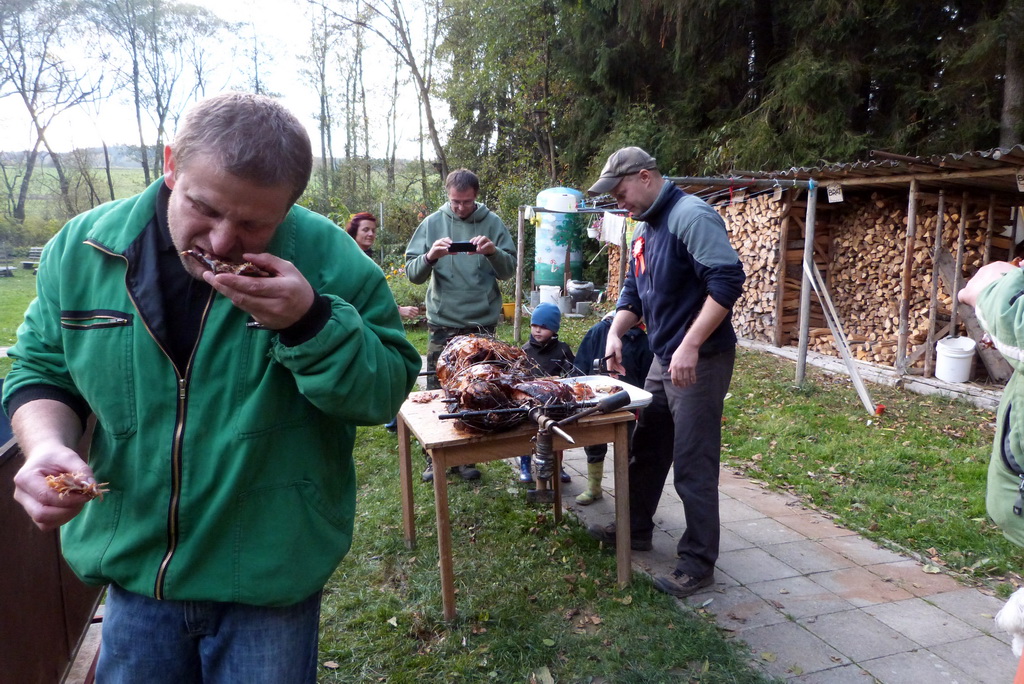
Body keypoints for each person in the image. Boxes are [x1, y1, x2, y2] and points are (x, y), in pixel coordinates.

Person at [2, 91, 421, 683]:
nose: (222, 243)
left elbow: (383, 393)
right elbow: (42, 370)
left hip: (268, 579)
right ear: (171, 163)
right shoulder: (83, 249)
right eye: (204, 208)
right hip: (136, 571)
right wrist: (45, 444)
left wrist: (309, 322)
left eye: (254, 224)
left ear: (290, 208)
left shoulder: (333, 259)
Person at [584, 146, 745, 598]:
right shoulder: (644, 228)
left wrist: (691, 345)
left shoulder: (691, 216)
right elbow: (632, 292)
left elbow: (727, 281)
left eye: (620, 191)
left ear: (646, 176)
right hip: (664, 355)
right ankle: (634, 529)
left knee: (693, 461)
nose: (618, 201)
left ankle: (697, 562)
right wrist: (615, 333)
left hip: (701, 358)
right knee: (648, 446)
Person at [405, 168, 517, 482]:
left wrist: (493, 253)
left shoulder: (492, 223)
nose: (460, 207)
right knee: (437, 390)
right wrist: (430, 257)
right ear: (448, 195)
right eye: (455, 201)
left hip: (480, 323)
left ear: (476, 197)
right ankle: (434, 457)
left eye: (466, 202)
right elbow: (412, 273)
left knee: (476, 390)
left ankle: (466, 455)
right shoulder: (432, 223)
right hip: (443, 322)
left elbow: (509, 270)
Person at [346, 211, 420, 432]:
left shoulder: (363, 256)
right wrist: (398, 310)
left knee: (386, 369)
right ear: (354, 232)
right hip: (361, 327)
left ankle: (391, 417)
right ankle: (386, 415)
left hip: (371, 325)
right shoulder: (350, 258)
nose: (371, 234)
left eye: (373, 230)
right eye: (365, 230)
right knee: (386, 369)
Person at [571, 310, 653, 505]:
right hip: (596, 402)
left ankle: (627, 492)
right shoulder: (599, 332)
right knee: (593, 442)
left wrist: (642, 405)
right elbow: (581, 363)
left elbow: (647, 377)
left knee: (628, 445)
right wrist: (578, 387)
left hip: (628, 404)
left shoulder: (643, 342)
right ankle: (594, 486)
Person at [519, 301, 574, 484]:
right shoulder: (525, 350)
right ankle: (525, 465)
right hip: (531, 402)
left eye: (543, 327)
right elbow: (518, 376)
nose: (537, 330)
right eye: (534, 325)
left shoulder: (563, 350)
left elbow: (572, 373)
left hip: (554, 402)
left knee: (556, 433)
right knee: (527, 434)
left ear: (554, 328)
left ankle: (558, 466)